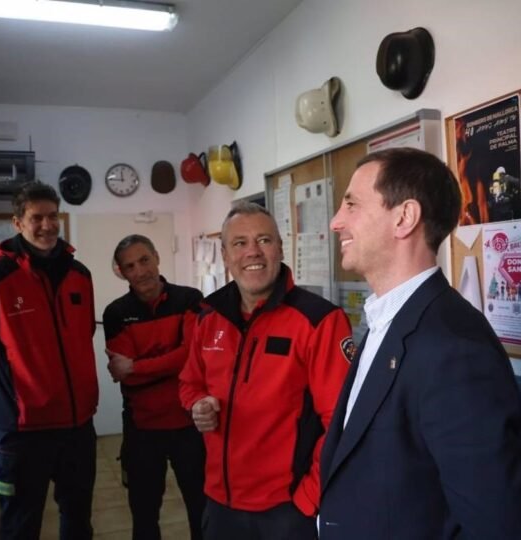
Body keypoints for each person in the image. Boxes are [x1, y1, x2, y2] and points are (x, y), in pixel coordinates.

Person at [319, 147, 521, 539]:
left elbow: (495, 522)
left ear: (404, 218)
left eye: (352, 204)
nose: (335, 221)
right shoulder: (387, 321)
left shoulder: (453, 348)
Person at [179, 201, 352, 540]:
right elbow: (189, 382)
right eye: (239, 243)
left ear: (280, 248)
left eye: (264, 240)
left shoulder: (319, 321)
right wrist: (197, 403)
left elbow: (342, 421)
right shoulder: (207, 317)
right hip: (220, 504)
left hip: (286, 512)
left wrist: (308, 497)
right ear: (226, 256)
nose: (252, 252)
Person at [0, 182, 98, 539]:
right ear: (18, 222)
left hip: (78, 428)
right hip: (22, 434)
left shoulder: (79, 275)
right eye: (37, 218)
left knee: (79, 522)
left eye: (53, 216)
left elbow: (82, 338)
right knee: (21, 527)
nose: (48, 225)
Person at [103, 235, 206, 540]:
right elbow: (124, 375)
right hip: (142, 430)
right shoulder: (116, 313)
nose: (140, 271)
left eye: (144, 260)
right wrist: (167, 362)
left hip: (189, 424)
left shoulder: (189, 298)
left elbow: (192, 355)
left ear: (157, 257)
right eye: (130, 266)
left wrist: (138, 365)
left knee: (201, 510)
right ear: (122, 272)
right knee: (144, 516)